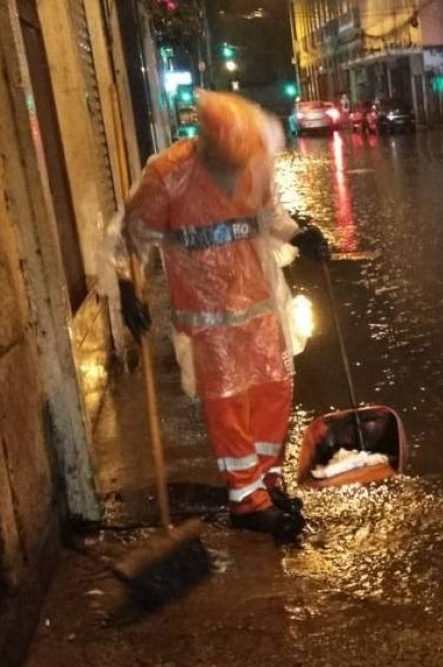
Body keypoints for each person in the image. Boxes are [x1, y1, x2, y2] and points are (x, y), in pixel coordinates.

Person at [118, 91, 306, 543]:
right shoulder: (167, 174)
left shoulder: (254, 161)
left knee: (274, 389)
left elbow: (269, 216)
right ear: (207, 142)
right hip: (208, 316)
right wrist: (127, 285)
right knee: (227, 403)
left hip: (259, 304)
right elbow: (132, 236)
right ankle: (246, 500)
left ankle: (267, 481)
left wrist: (303, 234)